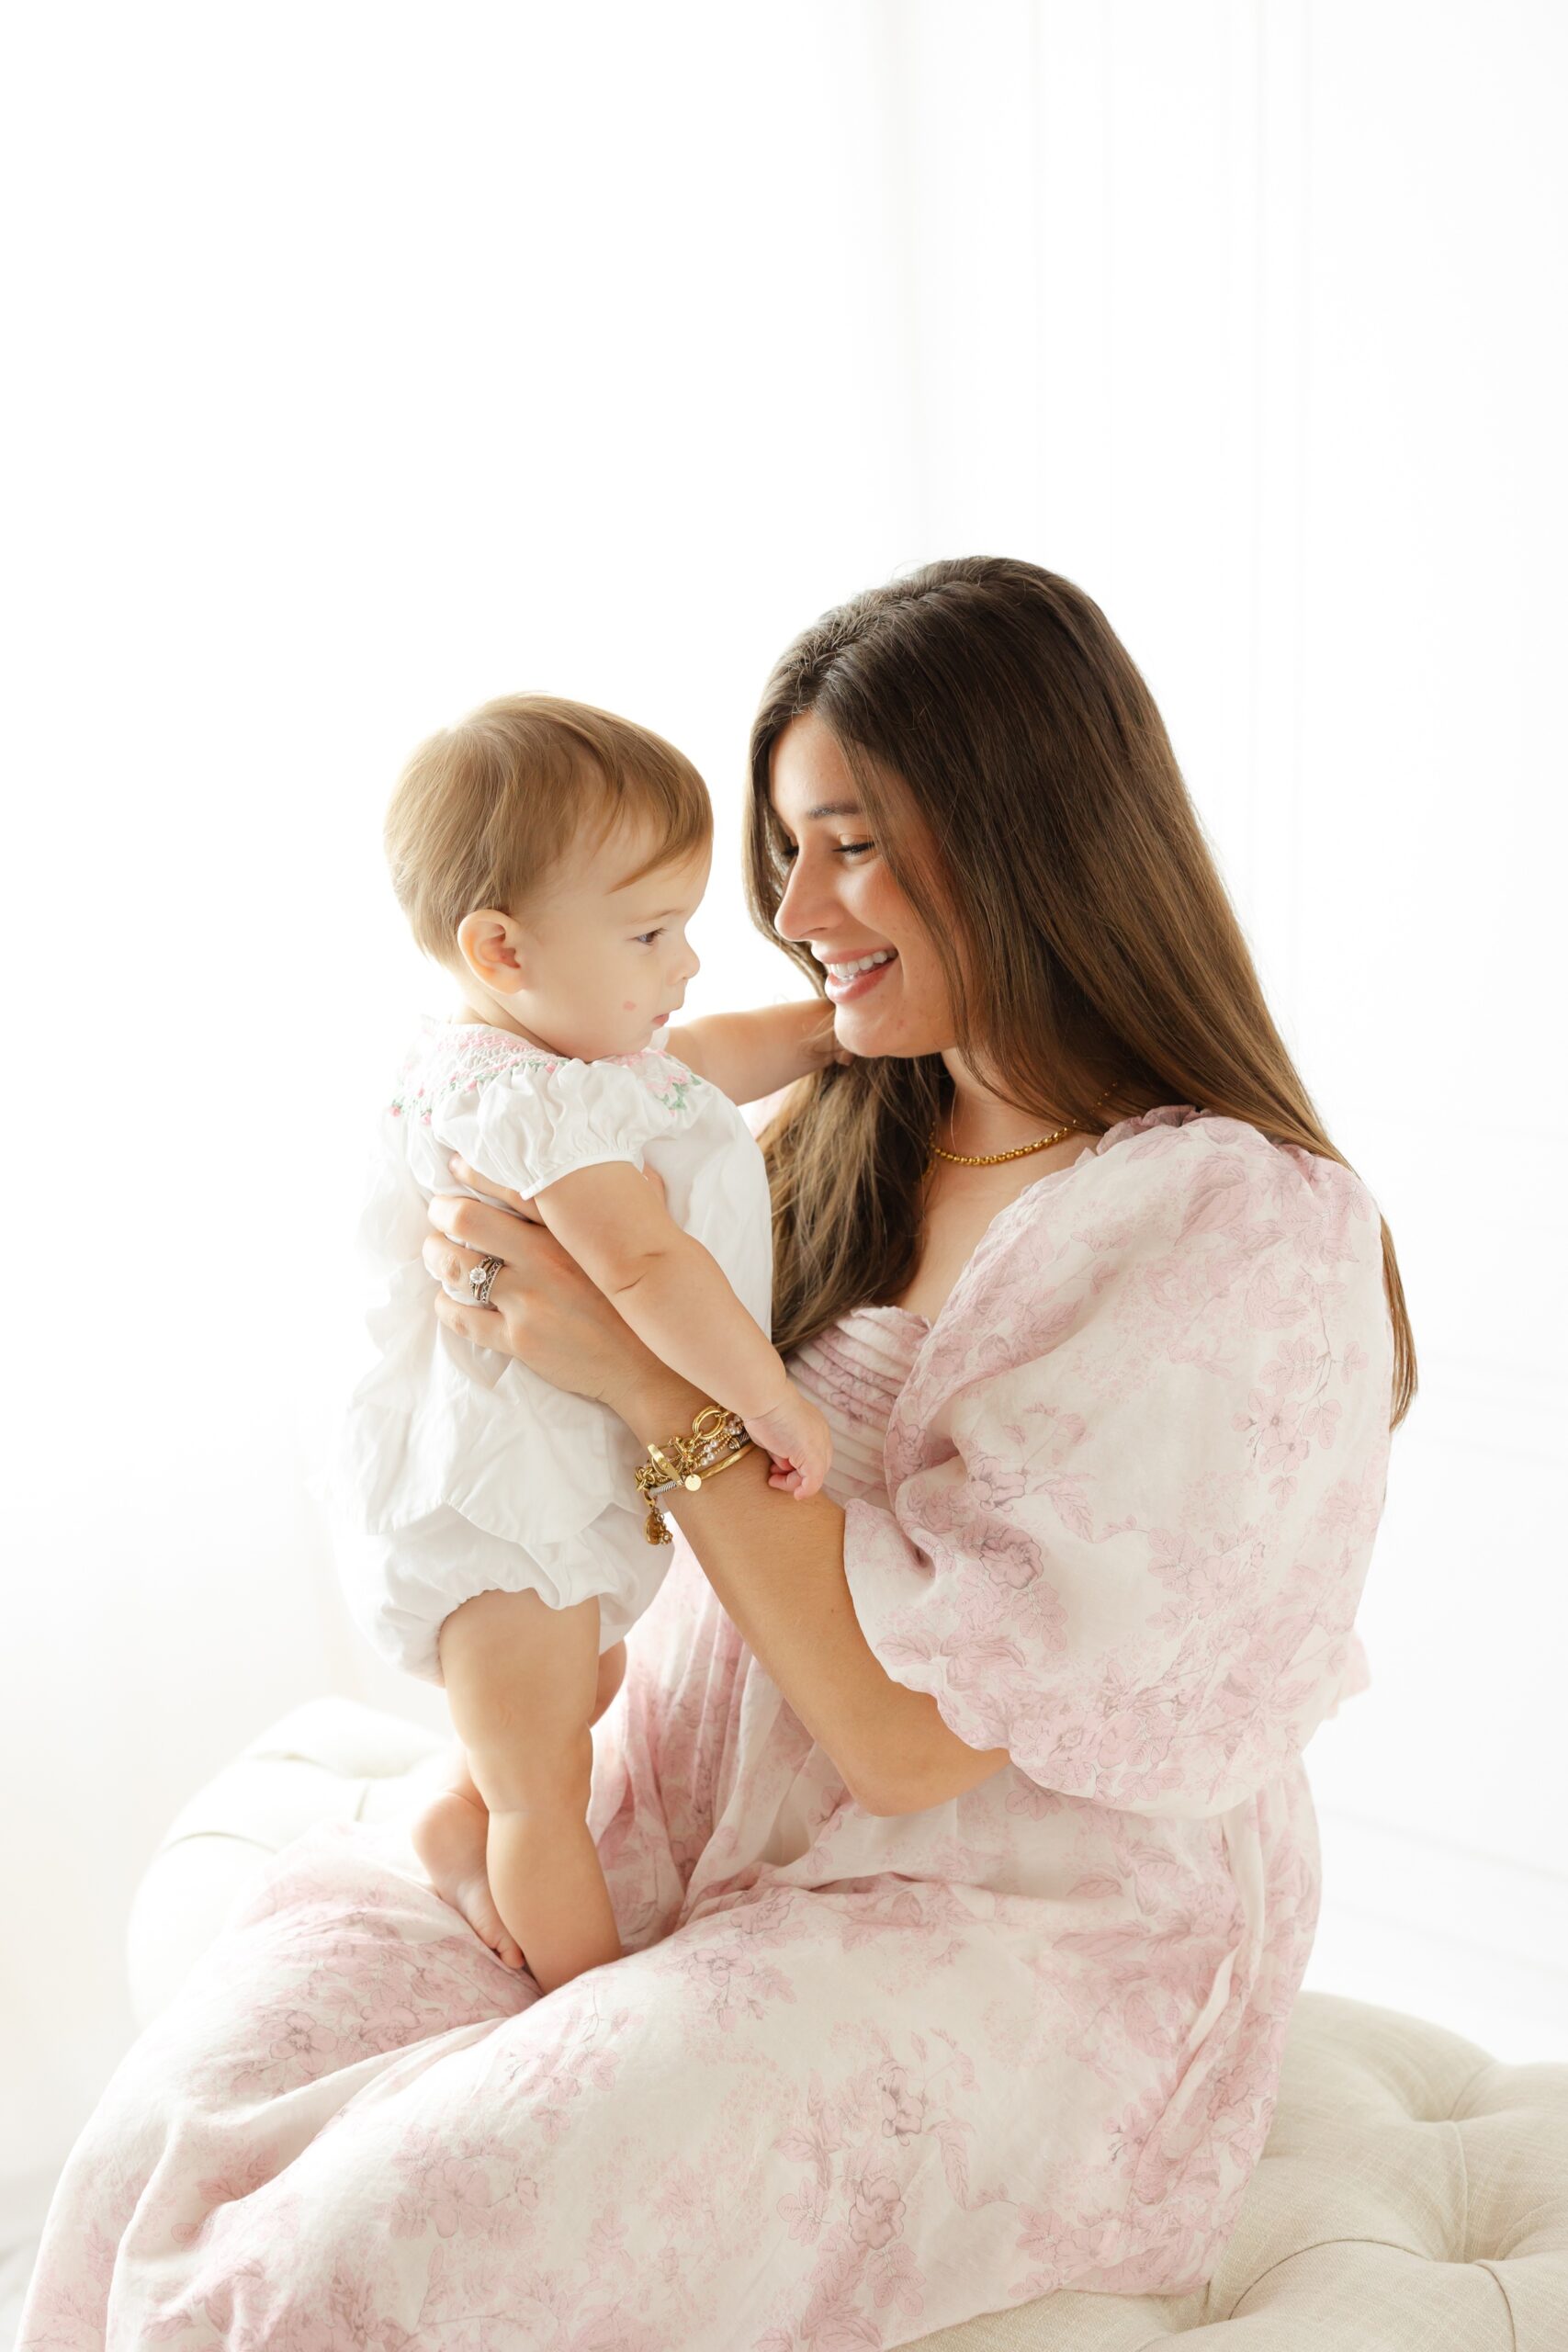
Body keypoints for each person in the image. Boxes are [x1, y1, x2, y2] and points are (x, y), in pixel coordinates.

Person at [18, 558, 1409, 2351]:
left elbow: (909, 1742)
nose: (794, 906)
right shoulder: (831, 1120)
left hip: (1004, 1935)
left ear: (1019, 828)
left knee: (357, 2262)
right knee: (163, 2136)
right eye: (783, 851)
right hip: (678, 1823)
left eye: (846, 842)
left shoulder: (1230, 1224)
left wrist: (627, 1376)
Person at [337, 694, 835, 1991]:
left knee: (586, 1689)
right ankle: (584, 2003)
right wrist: (765, 1402)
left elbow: (707, 1061)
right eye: (653, 933)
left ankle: (458, 1817)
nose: (686, 967)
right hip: (499, 1511)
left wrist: (836, 1030)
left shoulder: (565, 1060)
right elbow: (641, 1259)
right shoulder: (514, 1099)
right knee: (544, 1784)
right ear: (501, 951)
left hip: (546, 1491)